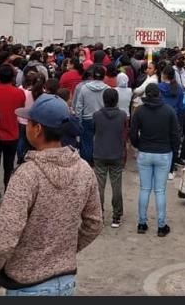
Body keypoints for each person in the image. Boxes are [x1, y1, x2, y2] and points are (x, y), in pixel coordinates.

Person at [0, 93, 102, 296]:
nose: (26, 126)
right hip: (66, 281)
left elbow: (4, 237)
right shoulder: (84, 170)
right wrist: (64, 252)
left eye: (28, 122)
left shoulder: (27, 174)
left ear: (38, 129)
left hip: (27, 284)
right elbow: (94, 223)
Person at [130, 83, 179, 237]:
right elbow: (175, 135)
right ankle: (161, 225)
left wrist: (139, 145)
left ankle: (142, 223)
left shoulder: (139, 111)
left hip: (145, 152)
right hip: (164, 153)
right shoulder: (169, 111)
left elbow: (132, 134)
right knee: (160, 190)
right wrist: (174, 153)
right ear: (159, 94)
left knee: (145, 189)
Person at [0, 64, 26, 207]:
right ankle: (9, 191)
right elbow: (20, 107)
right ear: (13, 77)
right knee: (9, 165)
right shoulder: (19, 93)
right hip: (12, 132)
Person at [92, 88, 127, 228]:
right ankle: (116, 216)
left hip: (100, 152)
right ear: (116, 100)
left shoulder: (96, 115)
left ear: (104, 100)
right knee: (116, 185)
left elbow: (94, 130)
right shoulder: (123, 115)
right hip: (116, 153)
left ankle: (98, 213)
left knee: (99, 186)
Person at [72, 64, 109, 164]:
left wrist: (78, 121)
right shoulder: (108, 89)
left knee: (86, 142)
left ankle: (86, 163)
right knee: (100, 141)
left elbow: (79, 107)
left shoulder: (84, 88)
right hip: (102, 118)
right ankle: (98, 160)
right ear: (103, 76)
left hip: (87, 119)